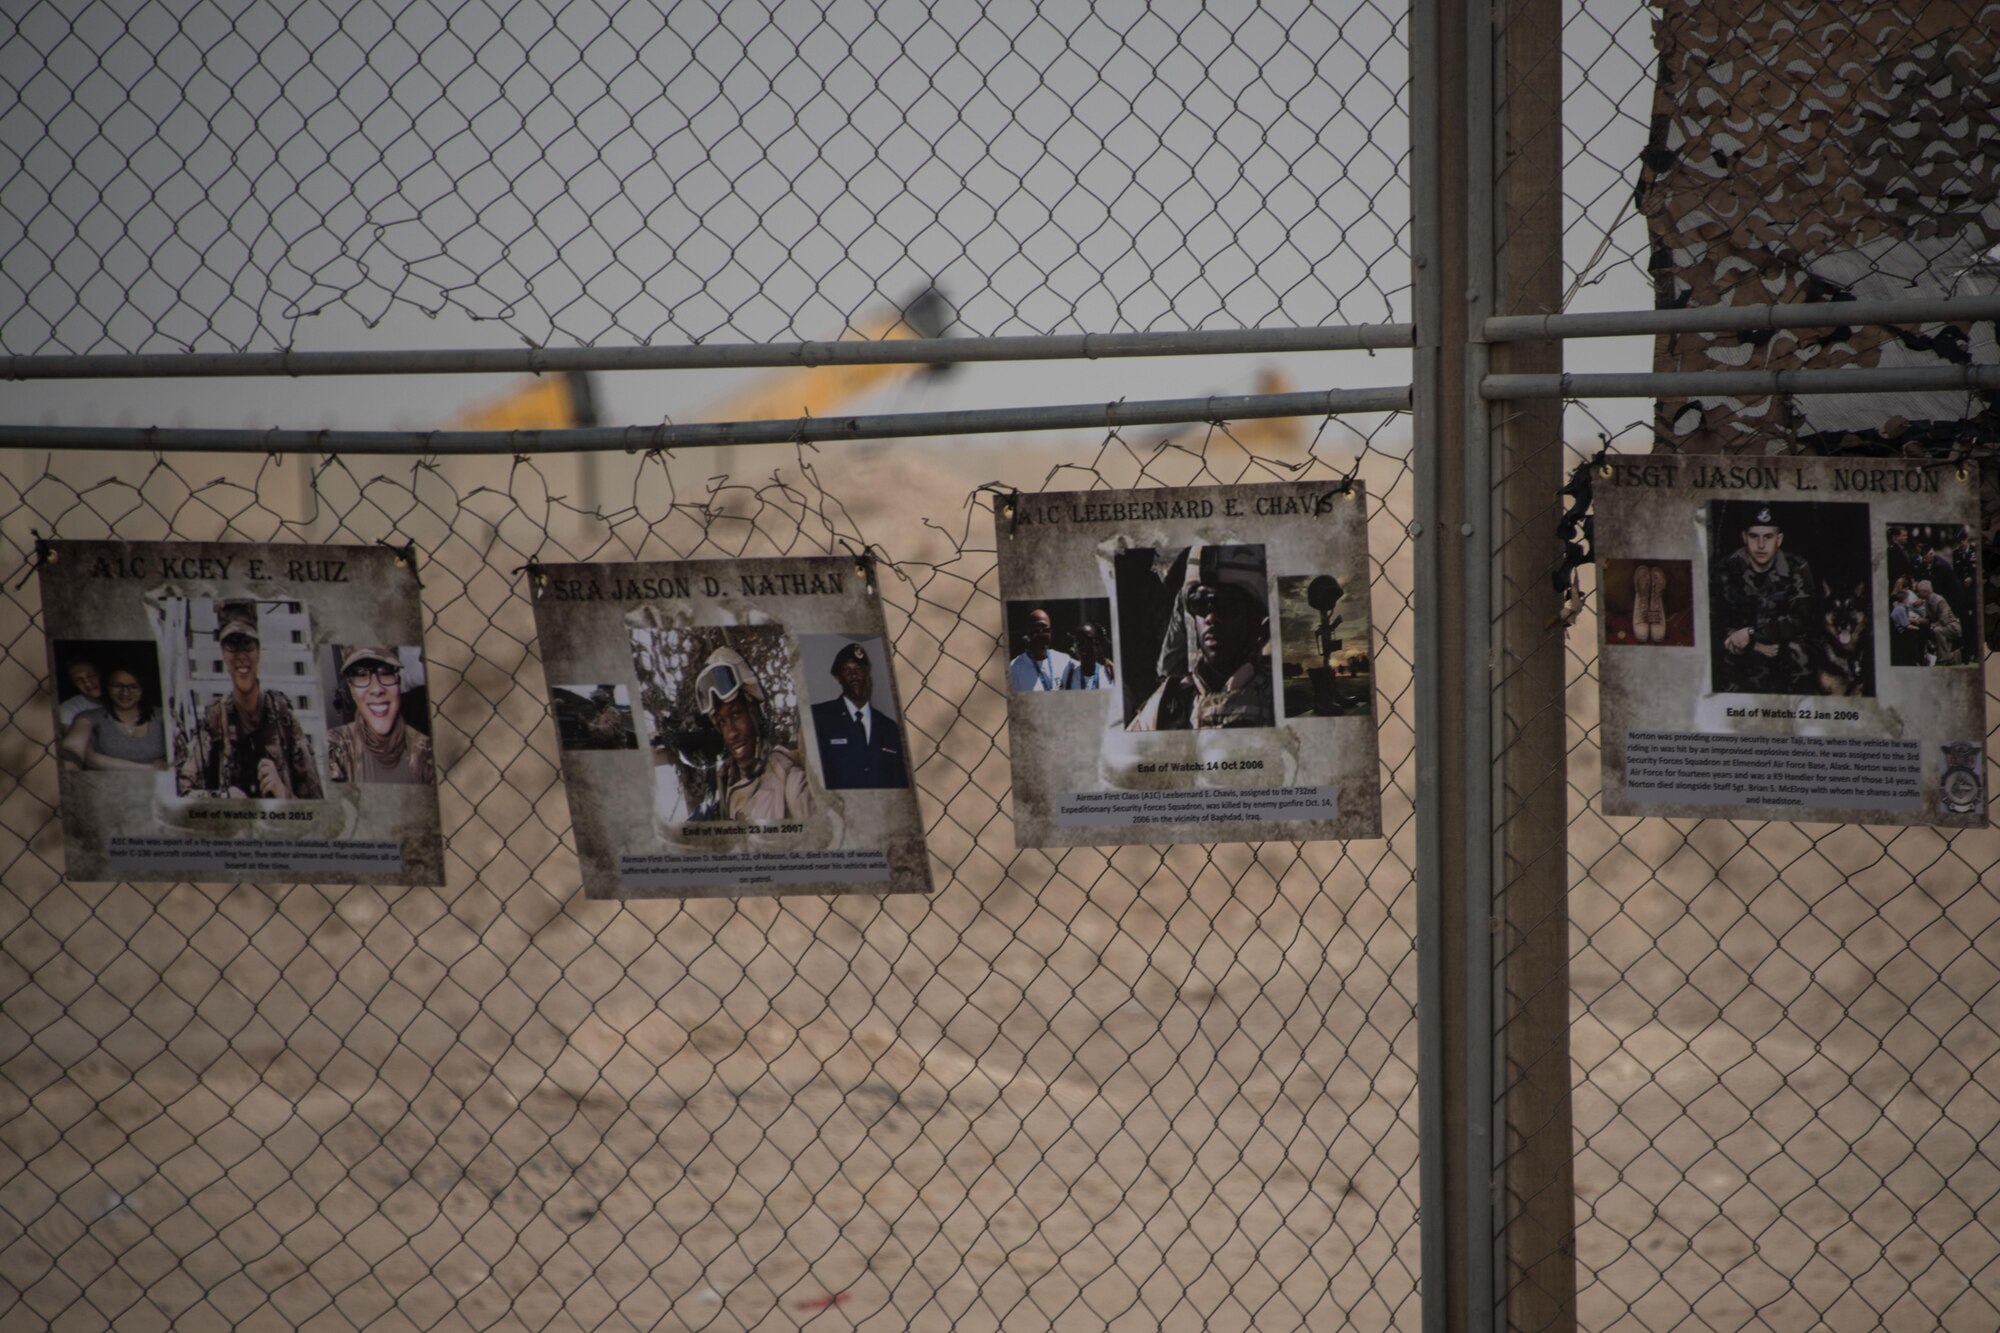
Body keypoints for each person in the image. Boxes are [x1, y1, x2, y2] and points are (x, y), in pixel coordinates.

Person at [180, 600, 323, 798]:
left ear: (258, 651)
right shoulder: (214, 721)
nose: (241, 656)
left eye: (247, 644)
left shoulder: (283, 716)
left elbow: (317, 805)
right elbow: (183, 793)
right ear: (223, 654)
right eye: (232, 645)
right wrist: (225, 799)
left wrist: (283, 794)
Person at [1128, 544, 1276, 730]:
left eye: (1226, 605)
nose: (1210, 618)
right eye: (1199, 605)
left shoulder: (1279, 699)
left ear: (1256, 619)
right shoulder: (1167, 704)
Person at [689, 644, 812, 823]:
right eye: (722, 722)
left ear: (755, 713)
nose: (731, 733)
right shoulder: (724, 789)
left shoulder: (789, 783)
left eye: (736, 714)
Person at [1711, 505, 1815, 693]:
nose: (1760, 545)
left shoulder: (1797, 568)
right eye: (1754, 536)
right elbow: (1714, 621)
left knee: (1800, 653)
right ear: (1744, 537)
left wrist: (1751, 633)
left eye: (1768, 537)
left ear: (1779, 539)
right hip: (1739, 656)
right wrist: (1752, 645)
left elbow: (1800, 619)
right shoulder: (1725, 570)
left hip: (1783, 654)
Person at [325, 646, 434, 784]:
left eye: (386, 672)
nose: (377, 689)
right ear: (351, 689)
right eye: (361, 675)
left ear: (398, 683)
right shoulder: (333, 748)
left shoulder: (426, 751)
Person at [810, 641, 908, 789]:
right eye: (846, 670)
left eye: (859, 669)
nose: (854, 675)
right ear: (839, 678)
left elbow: (900, 781)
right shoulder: (818, 718)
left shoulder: (890, 728)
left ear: (868, 676)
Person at [61, 665, 166, 771]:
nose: (125, 692)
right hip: (108, 784)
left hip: (158, 784)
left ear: (143, 689)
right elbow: (72, 749)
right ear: (107, 687)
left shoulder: (163, 716)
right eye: (117, 686)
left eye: (133, 687)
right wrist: (149, 768)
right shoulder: (88, 717)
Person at [1008, 608, 1073, 692]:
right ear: (1029, 632)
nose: (1042, 634)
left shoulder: (1064, 660)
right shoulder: (1015, 668)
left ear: (1051, 632)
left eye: (1046, 630)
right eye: (1037, 630)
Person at [1915, 578, 1963, 665]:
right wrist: (1918, 620)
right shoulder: (1927, 602)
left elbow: (1944, 618)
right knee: (1935, 630)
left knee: (1937, 630)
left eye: (1919, 591)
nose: (1918, 594)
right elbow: (1928, 619)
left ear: (1926, 592)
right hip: (1942, 627)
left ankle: (1943, 659)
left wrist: (1933, 625)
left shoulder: (1939, 600)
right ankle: (1949, 658)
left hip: (1952, 627)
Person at [1060, 623, 1115, 690]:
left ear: (1097, 644)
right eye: (1079, 642)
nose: (1084, 646)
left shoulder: (1109, 674)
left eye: (1089, 641)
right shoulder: (1069, 675)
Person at [57, 658, 106, 727]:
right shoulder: (69, 708)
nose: (87, 683)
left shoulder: (121, 700)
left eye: (91, 675)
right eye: (78, 680)